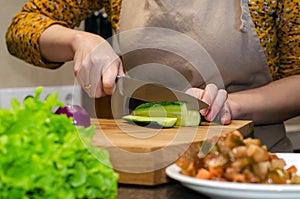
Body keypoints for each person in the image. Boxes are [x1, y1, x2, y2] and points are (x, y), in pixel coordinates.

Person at [5, 0, 300, 152]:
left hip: (247, 163)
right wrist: (77, 40)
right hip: (142, 157)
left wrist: (232, 107)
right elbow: (22, 28)